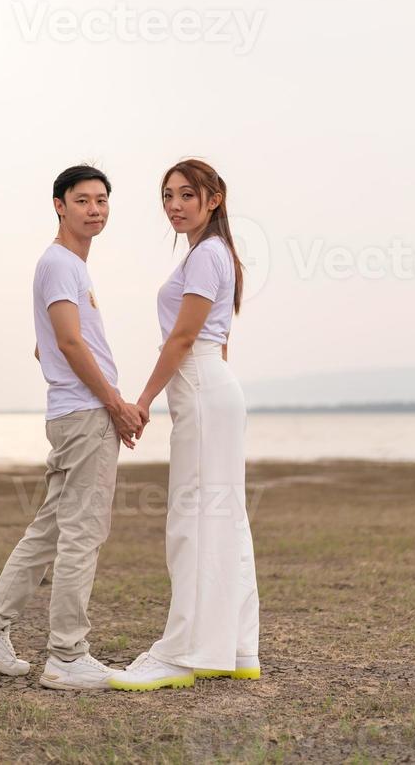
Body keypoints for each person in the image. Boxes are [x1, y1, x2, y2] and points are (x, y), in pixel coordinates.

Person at [0, 164, 146, 690]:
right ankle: (67, 656)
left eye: (102, 200)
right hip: (84, 415)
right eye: (83, 200)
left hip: (72, 411)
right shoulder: (62, 264)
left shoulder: (65, 266)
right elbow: (65, 343)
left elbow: (48, 345)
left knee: (52, 528)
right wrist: (114, 403)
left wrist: (88, 392)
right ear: (59, 206)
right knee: (83, 533)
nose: (95, 209)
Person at [109, 158, 260, 692]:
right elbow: (217, 342)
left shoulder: (206, 257)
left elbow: (181, 340)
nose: (174, 205)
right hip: (213, 387)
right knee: (221, 518)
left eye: (186, 195)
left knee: (193, 520)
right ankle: (234, 649)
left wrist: (143, 401)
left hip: (202, 388)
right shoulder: (216, 255)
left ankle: (181, 655)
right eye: (167, 196)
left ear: (213, 199)